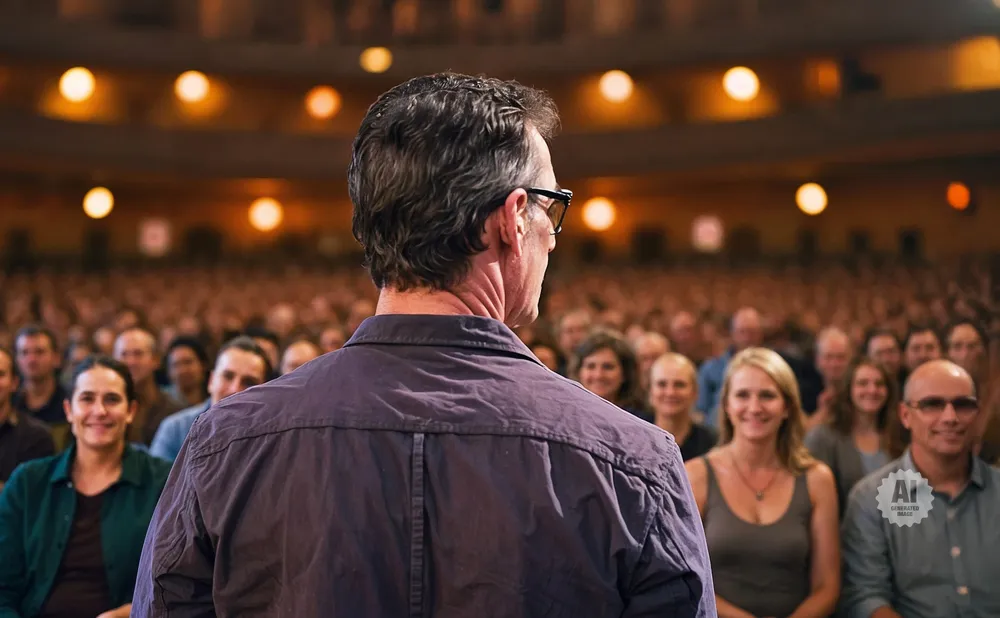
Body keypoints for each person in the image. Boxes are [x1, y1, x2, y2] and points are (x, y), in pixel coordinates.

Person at [132, 72, 715, 617]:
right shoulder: (632, 464)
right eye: (549, 206)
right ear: (512, 219)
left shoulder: (226, 443)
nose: (551, 237)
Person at [0, 356, 171, 618]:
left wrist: (130, 612)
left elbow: (176, 583)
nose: (99, 411)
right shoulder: (27, 483)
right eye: (87, 399)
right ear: (69, 410)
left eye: (112, 399)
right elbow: (3, 587)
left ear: (130, 411)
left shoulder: (162, 482)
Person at [685, 347, 840, 618]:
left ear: (787, 407)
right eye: (743, 395)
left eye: (767, 396)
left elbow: (827, 587)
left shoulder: (817, 479)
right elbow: (687, 578)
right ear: (726, 405)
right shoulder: (695, 475)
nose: (754, 408)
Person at [840, 360, 1000, 618]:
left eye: (963, 405)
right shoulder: (872, 499)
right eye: (932, 405)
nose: (950, 417)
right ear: (905, 415)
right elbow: (865, 596)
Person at [149, 336, 271, 462]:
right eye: (228, 376)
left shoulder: (273, 438)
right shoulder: (176, 430)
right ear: (212, 381)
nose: (235, 389)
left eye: (249, 382)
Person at [805, 357, 895, 519]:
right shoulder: (823, 438)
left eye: (879, 384)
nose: (872, 390)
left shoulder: (899, 435)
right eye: (863, 383)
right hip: (843, 537)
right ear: (849, 389)